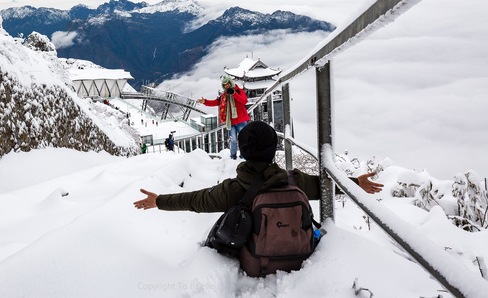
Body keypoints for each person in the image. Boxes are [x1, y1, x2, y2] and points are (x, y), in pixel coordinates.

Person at [134, 121, 383, 213]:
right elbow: (322, 187)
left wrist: (160, 201)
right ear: (274, 148)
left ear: (241, 152)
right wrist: (354, 183)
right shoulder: (293, 180)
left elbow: (195, 200)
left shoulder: (232, 190)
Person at [198, 76, 249, 160]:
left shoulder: (239, 91)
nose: (227, 86)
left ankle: (244, 156)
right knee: (233, 140)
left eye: (228, 84)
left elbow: (244, 101)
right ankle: (233, 157)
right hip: (231, 122)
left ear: (231, 83)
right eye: (224, 85)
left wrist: (234, 94)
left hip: (242, 120)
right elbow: (216, 102)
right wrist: (205, 102)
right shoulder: (224, 96)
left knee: (244, 140)